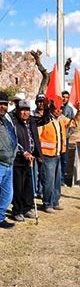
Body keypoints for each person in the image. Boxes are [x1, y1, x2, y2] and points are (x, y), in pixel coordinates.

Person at [40, 101, 80, 213]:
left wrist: (79, 111)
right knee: (49, 181)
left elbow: (74, 123)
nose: (58, 111)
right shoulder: (44, 121)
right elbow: (38, 137)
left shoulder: (62, 119)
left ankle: (55, 202)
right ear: (51, 109)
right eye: (56, 108)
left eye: (60, 109)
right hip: (47, 156)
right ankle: (47, 204)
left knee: (57, 181)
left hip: (58, 154)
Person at [11, 99, 45, 221]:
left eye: (27, 110)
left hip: (30, 159)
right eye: (22, 110)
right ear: (18, 111)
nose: (25, 113)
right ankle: (17, 211)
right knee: (18, 186)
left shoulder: (31, 121)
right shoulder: (13, 123)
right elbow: (13, 141)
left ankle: (27, 208)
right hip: (18, 160)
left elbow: (45, 119)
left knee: (29, 185)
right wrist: (22, 152)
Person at [0, 92, 17, 229]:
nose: (2, 106)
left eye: (5, 104)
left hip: (9, 164)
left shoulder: (6, 121)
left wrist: (22, 151)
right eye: (0, 103)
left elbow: (13, 140)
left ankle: (0, 218)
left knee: (7, 194)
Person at [61, 91, 75, 186]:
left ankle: (62, 179)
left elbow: (72, 125)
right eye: (63, 97)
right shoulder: (55, 108)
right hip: (55, 138)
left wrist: (68, 134)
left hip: (65, 139)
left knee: (64, 159)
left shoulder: (70, 110)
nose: (64, 99)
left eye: (66, 97)